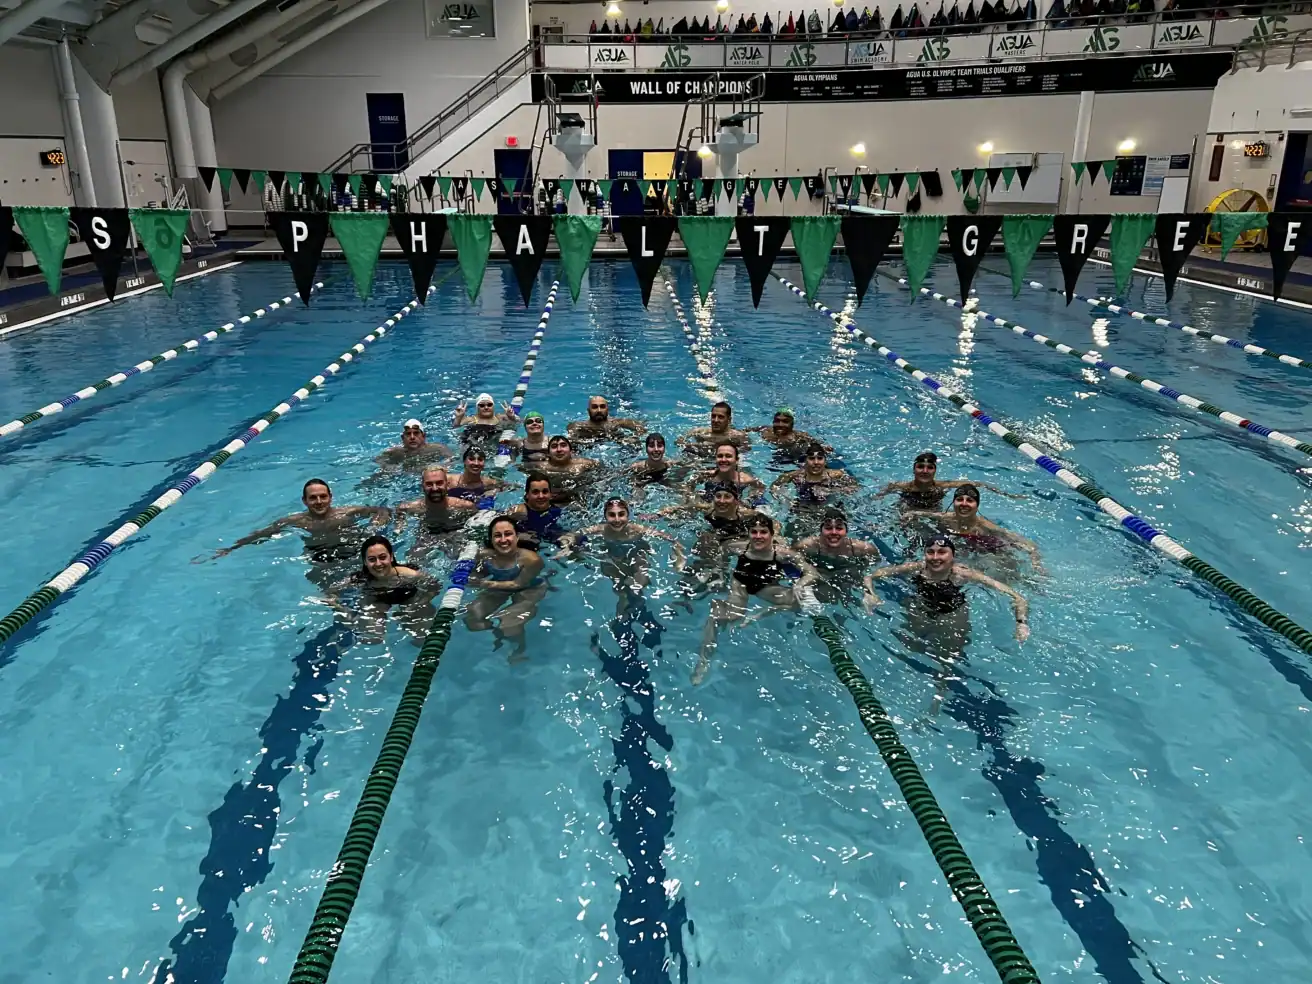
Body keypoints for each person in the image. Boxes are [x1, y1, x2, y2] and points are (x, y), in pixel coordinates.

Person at [865, 534, 1030, 718]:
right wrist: (870, 594)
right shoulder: (916, 568)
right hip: (920, 610)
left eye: (942, 552)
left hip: (953, 615)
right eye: (931, 552)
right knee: (911, 647)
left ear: (953, 556)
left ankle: (936, 701)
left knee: (947, 662)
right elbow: (872, 575)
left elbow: (1016, 596)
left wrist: (1021, 623)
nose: (935, 558)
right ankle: (897, 692)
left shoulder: (964, 573)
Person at [692, 514, 819, 684]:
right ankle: (703, 661)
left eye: (763, 532)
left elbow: (811, 572)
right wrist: (719, 573)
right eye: (754, 532)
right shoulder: (737, 547)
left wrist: (800, 584)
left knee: (802, 603)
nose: (758, 536)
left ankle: (762, 614)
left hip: (767, 588)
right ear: (748, 533)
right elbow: (721, 554)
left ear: (772, 534)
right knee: (717, 618)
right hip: (740, 586)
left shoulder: (782, 554)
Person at [208, 479, 389, 571]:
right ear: (304, 501)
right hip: (320, 556)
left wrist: (374, 526)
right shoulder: (296, 521)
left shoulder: (348, 512)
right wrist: (231, 548)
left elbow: (382, 510)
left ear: (330, 497)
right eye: (313, 498)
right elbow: (263, 534)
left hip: (353, 551)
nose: (319, 501)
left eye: (323, 496)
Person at [559, 497, 686, 615]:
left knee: (640, 581)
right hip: (612, 556)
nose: (617, 519)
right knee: (619, 588)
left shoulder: (636, 529)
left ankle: (635, 600)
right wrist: (566, 546)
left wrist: (679, 554)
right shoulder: (601, 529)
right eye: (612, 515)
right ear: (605, 516)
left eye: (621, 514)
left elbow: (670, 538)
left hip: (635, 552)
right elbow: (572, 535)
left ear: (628, 515)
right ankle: (622, 615)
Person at [464, 515, 548, 660]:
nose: (503, 540)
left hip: (529, 589)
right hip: (499, 587)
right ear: (491, 539)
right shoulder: (485, 556)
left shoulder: (531, 559)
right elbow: (477, 575)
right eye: (497, 535)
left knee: (509, 623)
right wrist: (471, 578)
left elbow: (518, 584)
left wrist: (486, 584)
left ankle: (518, 651)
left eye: (508, 534)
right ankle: (496, 634)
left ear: (517, 537)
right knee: (472, 616)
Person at [905, 484, 1043, 572]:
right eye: (960, 500)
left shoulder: (985, 526)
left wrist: (1036, 563)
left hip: (987, 549)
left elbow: (1029, 544)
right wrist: (911, 514)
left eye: (970, 501)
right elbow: (922, 514)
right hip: (961, 547)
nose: (964, 504)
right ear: (954, 503)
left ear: (977, 506)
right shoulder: (945, 518)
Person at [339, 535, 439, 643]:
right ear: (365, 562)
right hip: (377, 599)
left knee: (423, 637)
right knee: (372, 637)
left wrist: (416, 605)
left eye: (382, 557)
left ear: (391, 557)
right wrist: (339, 608)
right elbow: (332, 591)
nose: (378, 564)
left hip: (408, 596)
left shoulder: (409, 575)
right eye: (372, 559)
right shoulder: (359, 579)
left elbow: (435, 586)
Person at [876, 451, 1022, 511]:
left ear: (935, 470)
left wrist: (1008, 496)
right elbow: (878, 498)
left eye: (930, 468)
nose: (925, 471)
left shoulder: (944, 486)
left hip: (933, 513)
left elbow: (980, 484)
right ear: (914, 470)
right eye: (920, 467)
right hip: (908, 511)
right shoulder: (901, 487)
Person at [794, 507, 882, 607]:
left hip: (848, 576)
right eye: (828, 528)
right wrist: (804, 578)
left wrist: (869, 592)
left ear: (846, 531)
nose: (834, 532)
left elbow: (872, 570)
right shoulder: (807, 546)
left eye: (839, 528)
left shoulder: (864, 549)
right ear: (821, 530)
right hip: (820, 575)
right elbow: (793, 561)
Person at [770, 443, 857, 508]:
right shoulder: (794, 476)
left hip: (830, 507)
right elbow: (774, 487)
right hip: (803, 509)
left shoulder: (836, 475)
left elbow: (855, 487)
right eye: (811, 458)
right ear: (805, 461)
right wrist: (787, 501)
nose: (816, 462)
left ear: (825, 461)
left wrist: (832, 490)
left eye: (820, 458)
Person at [504, 472, 567, 549]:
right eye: (535, 492)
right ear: (527, 494)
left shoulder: (559, 511)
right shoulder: (519, 512)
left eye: (545, 491)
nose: (541, 496)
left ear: (550, 494)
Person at [535, 434, 600, 503]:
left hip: (580, 495)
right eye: (554, 447)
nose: (559, 450)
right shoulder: (541, 467)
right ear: (548, 454)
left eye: (563, 445)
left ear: (571, 451)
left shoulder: (585, 464)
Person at [692, 442, 764, 501]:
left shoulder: (744, 480)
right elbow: (686, 487)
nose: (723, 460)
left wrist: (750, 498)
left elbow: (760, 487)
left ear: (736, 460)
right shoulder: (706, 476)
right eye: (720, 456)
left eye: (728, 456)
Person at [746, 407, 826, 459]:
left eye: (785, 421)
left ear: (792, 424)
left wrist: (824, 447)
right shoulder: (765, 430)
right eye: (777, 421)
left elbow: (817, 443)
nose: (780, 424)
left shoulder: (799, 436)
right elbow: (746, 430)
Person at [374, 419, 453, 470]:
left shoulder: (437, 449)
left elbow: (452, 460)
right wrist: (387, 466)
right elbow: (377, 461)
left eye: (416, 433)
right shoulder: (395, 452)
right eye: (408, 434)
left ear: (423, 436)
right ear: (402, 438)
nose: (412, 437)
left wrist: (442, 466)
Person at [679, 401, 752, 456]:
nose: (715, 420)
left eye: (720, 417)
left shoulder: (738, 436)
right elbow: (679, 442)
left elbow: (746, 451)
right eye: (713, 416)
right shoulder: (699, 432)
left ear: (729, 420)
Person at [567, 394, 646, 443]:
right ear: (588, 410)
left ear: (607, 410)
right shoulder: (578, 426)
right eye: (595, 407)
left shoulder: (618, 422)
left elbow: (642, 428)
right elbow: (570, 439)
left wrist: (634, 437)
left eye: (602, 407)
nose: (599, 410)